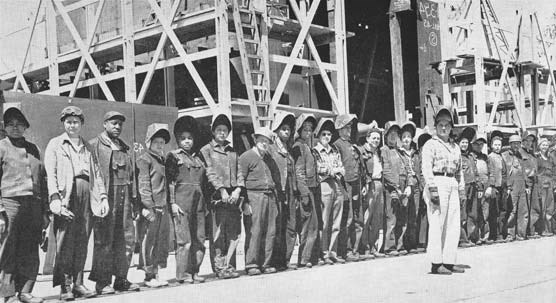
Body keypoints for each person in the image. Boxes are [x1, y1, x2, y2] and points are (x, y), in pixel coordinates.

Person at [44, 106, 109, 300]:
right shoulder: (55, 144)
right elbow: (51, 173)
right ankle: (65, 287)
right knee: (65, 242)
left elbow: (96, 174)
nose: (72, 125)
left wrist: (103, 196)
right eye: (68, 121)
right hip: (67, 196)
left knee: (82, 241)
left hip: (87, 195)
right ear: (64, 123)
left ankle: (79, 283)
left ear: (81, 124)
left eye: (76, 122)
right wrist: (55, 198)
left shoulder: (88, 147)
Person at [89, 111, 140, 294]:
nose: (117, 127)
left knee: (126, 239)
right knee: (105, 239)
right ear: (105, 124)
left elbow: (132, 176)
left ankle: (121, 279)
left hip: (124, 197)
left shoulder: (124, 147)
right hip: (106, 197)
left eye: (120, 124)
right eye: (113, 123)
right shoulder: (94, 145)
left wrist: (134, 201)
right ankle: (102, 282)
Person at [0, 108, 47, 303]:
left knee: (30, 247)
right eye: (10, 124)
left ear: (25, 126)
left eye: (19, 124)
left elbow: (42, 180)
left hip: (33, 204)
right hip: (10, 203)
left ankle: (25, 291)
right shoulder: (1, 147)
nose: (15, 128)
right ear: (5, 127)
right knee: (9, 247)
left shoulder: (33, 148)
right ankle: (9, 293)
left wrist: (45, 211)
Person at [421, 107, 465, 275]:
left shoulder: (455, 147)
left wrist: (461, 189)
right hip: (438, 181)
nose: (444, 128)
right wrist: (432, 189)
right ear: (436, 126)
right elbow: (426, 168)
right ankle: (436, 262)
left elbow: (460, 170)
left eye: (447, 124)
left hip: (452, 181)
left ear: (451, 127)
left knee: (453, 224)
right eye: (440, 124)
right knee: (437, 222)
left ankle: (449, 260)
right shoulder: (430, 144)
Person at [199, 113, 243, 279]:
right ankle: (219, 267)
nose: (222, 133)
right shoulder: (206, 150)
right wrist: (222, 190)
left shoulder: (233, 151)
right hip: (217, 199)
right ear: (213, 131)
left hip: (233, 199)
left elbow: (239, 172)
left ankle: (230, 266)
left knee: (233, 233)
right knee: (218, 234)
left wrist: (238, 189)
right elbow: (209, 172)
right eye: (219, 129)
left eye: (225, 130)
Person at [166, 117, 207, 284]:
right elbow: (170, 182)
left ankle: (194, 271)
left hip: (199, 204)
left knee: (199, 238)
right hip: (182, 204)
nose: (187, 141)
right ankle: (182, 274)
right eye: (183, 138)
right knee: (184, 241)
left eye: (189, 138)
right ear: (178, 140)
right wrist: (173, 203)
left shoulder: (199, 158)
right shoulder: (173, 157)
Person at [240, 128, 279, 275]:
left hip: (269, 196)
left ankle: (266, 263)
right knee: (254, 231)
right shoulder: (246, 157)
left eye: (267, 141)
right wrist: (244, 203)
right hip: (254, 196)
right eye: (261, 140)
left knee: (270, 231)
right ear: (255, 140)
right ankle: (252, 264)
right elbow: (240, 180)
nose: (264, 143)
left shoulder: (268, 158)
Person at [136, 123, 171, 287]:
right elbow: (143, 184)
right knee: (148, 241)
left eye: (162, 142)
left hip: (163, 207)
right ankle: (148, 275)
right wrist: (147, 207)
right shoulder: (144, 159)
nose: (160, 145)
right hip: (151, 208)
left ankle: (156, 273)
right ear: (148, 142)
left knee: (161, 241)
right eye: (156, 141)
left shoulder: (162, 160)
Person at [312, 118, 345, 265]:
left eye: (329, 135)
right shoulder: (315, 151)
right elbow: (318, 168)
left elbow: (341, 168)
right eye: (324, 134)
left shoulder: (335, 150)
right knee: (324, 221)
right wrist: (332, 170)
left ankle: (333, 252)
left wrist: (333, 170)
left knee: (336, 221)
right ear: (318, 135)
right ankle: (323, 252)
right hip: (324, 185)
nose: (327, 137)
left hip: (337, 184)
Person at [269, 111, 297, 270]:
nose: (286, 131)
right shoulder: (271, 149)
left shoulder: (289, 150)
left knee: (291, 226)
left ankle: (286, 260)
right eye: (283, 128)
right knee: (277, 227)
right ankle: (275, 261)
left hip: (291, 192)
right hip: (278, 192)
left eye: (288, 129)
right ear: (277, 129)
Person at [333, 114, 363, 262]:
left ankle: (354, 249)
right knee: (347, 219)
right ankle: (343, 251)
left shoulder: (352, 144)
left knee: (356, 218)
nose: (349, 130)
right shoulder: (337, 145)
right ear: (339, 129)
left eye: (350, 127)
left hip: (356, 184)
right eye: (346, 127)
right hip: (345, 185)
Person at [291, 114, 320, 267]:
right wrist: (304, 193)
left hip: (312, 189)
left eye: (310, 129)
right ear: (299, 130)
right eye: (305, 129)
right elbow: (299, 171)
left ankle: (310, 257)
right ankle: (304, 259)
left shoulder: (307, 146)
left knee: (313, 225)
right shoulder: (298, 146)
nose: (308, 132)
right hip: (306, 191)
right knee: (308, 226)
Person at [381, 121, 408, 256]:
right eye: (390, 133)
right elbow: (386, 171)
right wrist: (395, 186)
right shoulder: (384, 151)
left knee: (402, 217)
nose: (393, 136)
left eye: (396, 133)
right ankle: (389, 246)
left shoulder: (400, 151)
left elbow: (407, 169)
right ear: (386, 135)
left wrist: (408, 185)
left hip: (403, 187)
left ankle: (400, 244)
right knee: (391, 218)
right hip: (391, 188)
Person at [360, 124, 385, 258]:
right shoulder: (363, 151)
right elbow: (362, 170)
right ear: (368, 138)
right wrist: (364, 184)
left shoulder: (379, 152)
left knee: (377, 217)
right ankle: (364, 247)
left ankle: (374, 247)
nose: (376, 140)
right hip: (370, 184)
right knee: (367, 216)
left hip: (379, 183)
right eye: (373, 138)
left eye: (378, 138)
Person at [399, 121, 421, 253]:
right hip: (405, 185)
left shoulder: (416, 153)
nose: (407, 139)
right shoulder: (399, 153)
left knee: (415, 214)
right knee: (404, 214)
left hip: (416, 185)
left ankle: (413, 243)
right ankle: (403, 244)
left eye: (409, 136)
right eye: (404, 137)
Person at [502, 135, 529, 241]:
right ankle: (510, 234)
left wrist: (527, 185)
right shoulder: (504, 156)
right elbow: (504, 173)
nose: (516, 145)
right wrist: (507, 186)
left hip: (522, 185)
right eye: (514, 143)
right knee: (512, 211)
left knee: (523, 211)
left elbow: (524, 171)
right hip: (511, 187)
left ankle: (521, 234)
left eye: (518, 143)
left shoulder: (522, 155)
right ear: (510, 144)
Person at [457, 127, 479, 247]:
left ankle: (471, 237)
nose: (464, 145)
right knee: (462, 214)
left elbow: (475, 172)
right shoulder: (457, 156)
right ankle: (462, 239)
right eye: (462, 142)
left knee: (472, 214)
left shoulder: (471, 156)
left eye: (466, 142)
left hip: (473, 187)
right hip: (462, 188)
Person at [470, 134, 493, 244]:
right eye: (477, 144)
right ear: (472, 144)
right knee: (475, 213)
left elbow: (490, 173)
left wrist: (489, 187)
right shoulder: (470, 157)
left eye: (481, 144)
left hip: (486, 188)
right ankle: (475, 237)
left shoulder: (485, 157)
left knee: (485, 213)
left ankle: (485, 236)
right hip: (475, 189)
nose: (479, 146)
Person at [486, 133, 507, 243]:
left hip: (503, 187)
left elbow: (504, 173)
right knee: (495, 212)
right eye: (495, 145)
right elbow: (491, 172)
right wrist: (492, 186)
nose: (498, 147)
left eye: (499, 145)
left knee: (503, 211)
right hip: (495, 187)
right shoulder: (490, 157)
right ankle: (496, 234)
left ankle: (502, 233)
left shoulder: (502, 156)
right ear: (491, 145)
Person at [415, 130, 432, 251]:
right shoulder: (420, 155)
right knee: (423, 215)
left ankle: (426, 240)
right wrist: (423, 186)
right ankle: (421, 241)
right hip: (422, 187)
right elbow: (419, 172)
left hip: (428, 186)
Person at [521, 132, 540, 238]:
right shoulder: (520, 153)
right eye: (527, 140)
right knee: (526, 208)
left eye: (531, 141)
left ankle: (532, 230)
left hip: (534, 183)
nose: (529, 143)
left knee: (534, 206)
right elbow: (521, 170)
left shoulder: (532, 154)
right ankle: (525, 231)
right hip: (526, 183)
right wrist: (525, 185)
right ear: (523, 141)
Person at [537, 137, 555, 236]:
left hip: (550, 185)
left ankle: (549, 229)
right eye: (543, 145)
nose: (545, 147)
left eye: (546, 145)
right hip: (541, 186)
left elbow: (553, 171)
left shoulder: (550, 158)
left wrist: (554, 184)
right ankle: (542, 230)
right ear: (539, 146)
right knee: (542, 207)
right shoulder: (537, 158)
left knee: (550, 207)